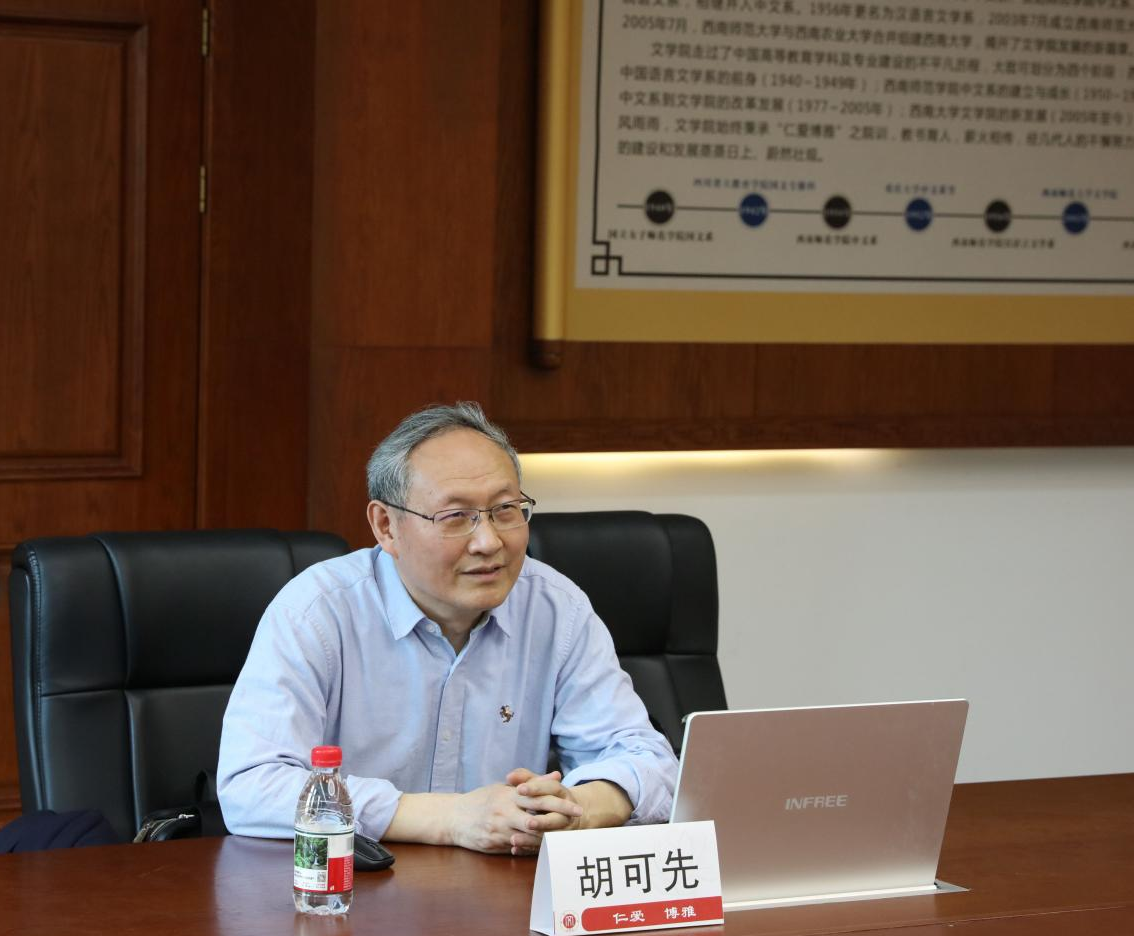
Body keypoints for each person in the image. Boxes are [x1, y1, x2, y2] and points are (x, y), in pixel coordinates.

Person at [217, 402, 677, 855]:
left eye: (505, 509)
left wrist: (575, 809)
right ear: (386, 526)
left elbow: (651, 764)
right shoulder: (317, 613)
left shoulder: (556, 608)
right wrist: (450, 818)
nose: (488, 541)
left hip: (503, 890)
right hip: (351, 887)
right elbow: (251, 787)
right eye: (456, 517)